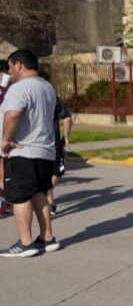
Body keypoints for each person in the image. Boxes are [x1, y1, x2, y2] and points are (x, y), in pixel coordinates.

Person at [0, 49, 59, 257]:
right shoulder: (47, 87)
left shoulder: (20, 88)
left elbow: (14, 113)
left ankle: (25, 242)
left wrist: (6, 139)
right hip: (44, 150)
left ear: (19, 65)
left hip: (22, 149)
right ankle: (47, 238)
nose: (9, 71)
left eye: (9, 66)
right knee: (39, 194)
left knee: (20, 196)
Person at [39, 71, 72, 218]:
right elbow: (67, 118)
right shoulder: (53, 97)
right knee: (57, 171)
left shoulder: (26, 96)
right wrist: (66, 136)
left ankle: (48, 201)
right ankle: (48, 199)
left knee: (44, 174)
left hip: (33, 144)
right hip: (51, 142)